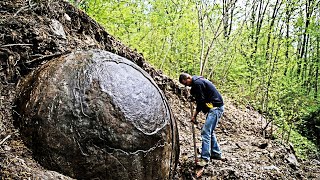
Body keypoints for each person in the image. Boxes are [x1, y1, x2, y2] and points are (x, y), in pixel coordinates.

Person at [179, 73, 224, 167]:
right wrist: (193, 97)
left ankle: (205, 158)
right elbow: (201, 96)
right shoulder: (198, 82)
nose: (187, 86)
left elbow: (201, 101)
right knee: (209, 132)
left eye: (186, 83)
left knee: (205, 132)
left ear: (188, 78)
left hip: (215, 108)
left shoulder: (198, 83)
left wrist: (194, 116)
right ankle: (216, 153)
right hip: (214, 107)